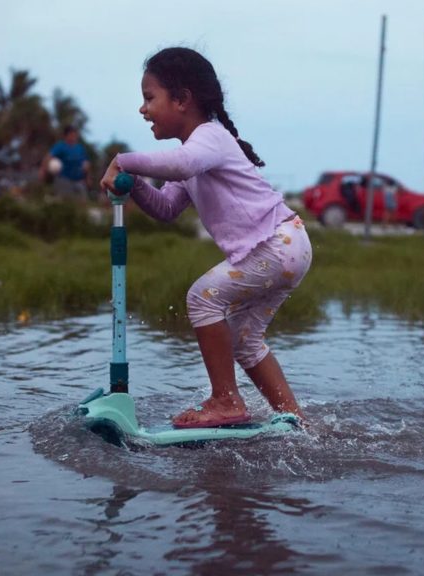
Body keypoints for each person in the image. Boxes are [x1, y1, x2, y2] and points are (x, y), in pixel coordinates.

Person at [99, 47, 312, 428]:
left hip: (276, 244)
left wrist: (122, 160)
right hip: (288, 246)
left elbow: (181, 165)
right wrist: (133, 187)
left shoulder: (209, 138)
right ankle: (293, 419)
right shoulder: (194, 155)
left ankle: (226, 401)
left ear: (181, 100)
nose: (143, 109)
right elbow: (166, 208)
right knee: (245, 341)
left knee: (202, 297)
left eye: (150, 98)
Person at [42, 125, 91, 200]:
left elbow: (86, 163)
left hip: (78, 180)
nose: (73, 137)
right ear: (66, 135)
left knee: (82, 200)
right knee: (65, 200)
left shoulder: (80, 148)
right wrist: (44, 170)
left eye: (75, 135)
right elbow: (48, 157)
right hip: (64, 180)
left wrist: (87, 177)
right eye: (71, 135)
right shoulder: (60, 147)